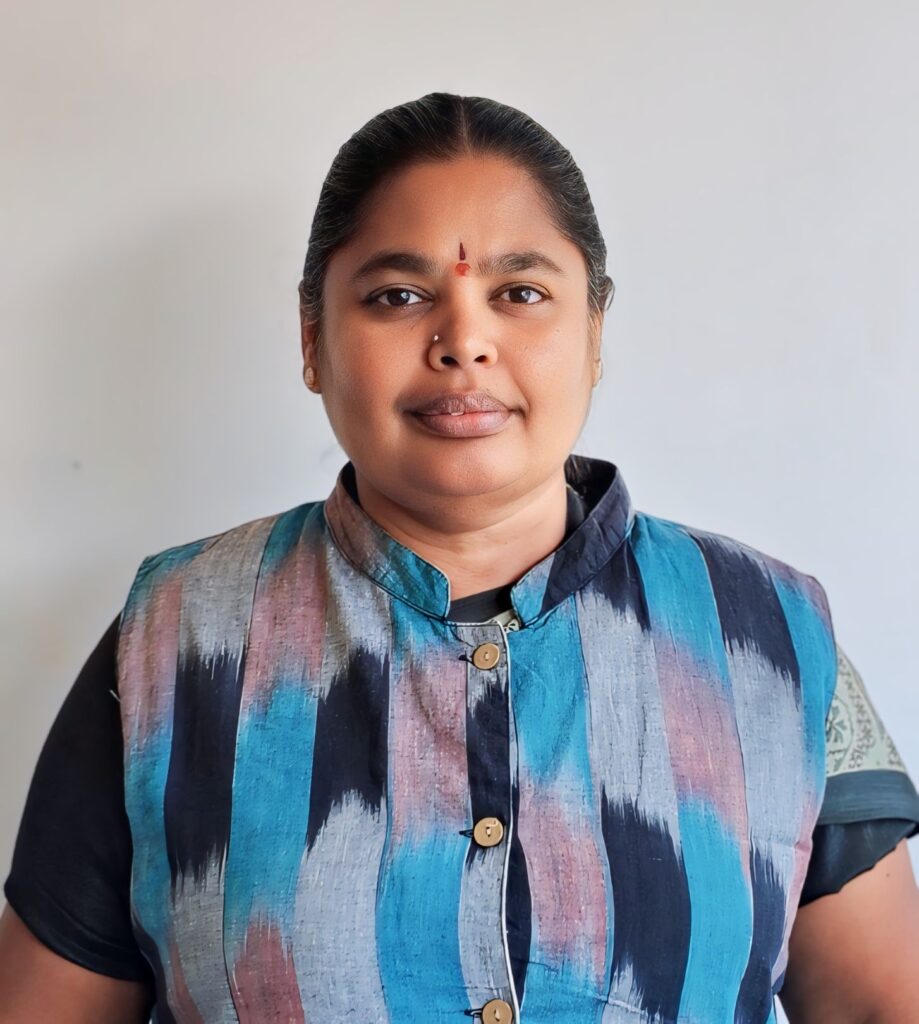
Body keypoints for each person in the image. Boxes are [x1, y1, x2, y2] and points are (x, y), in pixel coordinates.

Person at [2, 92, 918, 1024]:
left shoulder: (765, 637)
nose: (464, 343)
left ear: (594, 332)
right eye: (398, 297)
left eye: (519, 294)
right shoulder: (176, 641)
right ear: (313, 339)